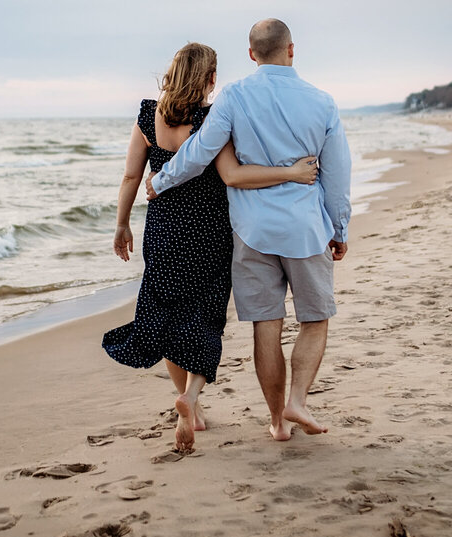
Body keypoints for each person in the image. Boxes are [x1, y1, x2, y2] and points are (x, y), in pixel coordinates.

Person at [103, 42, 319, 454]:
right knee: (205, 318)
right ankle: (193, 397)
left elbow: (131, 177)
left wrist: (121, 225)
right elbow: (232, 174)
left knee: (165, 315)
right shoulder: (211, 119)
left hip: (164, 232)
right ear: (211, 79)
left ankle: (189, 403)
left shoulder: (150, 115)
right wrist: (290, 173)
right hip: (210, 234)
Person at [146, 19, 351, 441]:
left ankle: (277, 422)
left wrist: (161, 182)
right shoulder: (322, 102)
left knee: (266, 326)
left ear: (252, 54)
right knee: (315, 320)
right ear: (291, 50)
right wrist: (340, 227)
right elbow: (337, 174)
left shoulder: (234, 96)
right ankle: (296, 401)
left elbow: (199, 153)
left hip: (252, 232)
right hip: (306, 230)